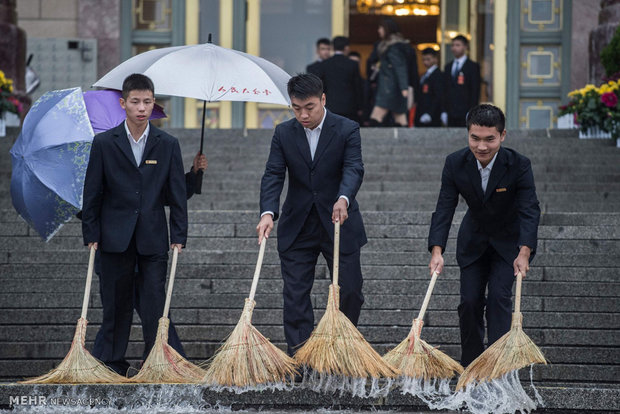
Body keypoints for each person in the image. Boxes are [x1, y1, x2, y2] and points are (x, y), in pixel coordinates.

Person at [82, 73, 188, 376]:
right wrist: (91, 233)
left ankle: (156, 362)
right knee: (116, 305)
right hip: (113, 238)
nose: (141, 108)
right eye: (135, 102)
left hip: (154, 238)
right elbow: (93, 192)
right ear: (123, 103)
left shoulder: (167, 144)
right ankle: (112, 363)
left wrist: (179, 234)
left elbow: (177, 195)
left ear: (153, 104)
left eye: (147, 102)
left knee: (155, 304)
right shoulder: (104, 143)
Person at [256, 73, 367, 356]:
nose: (303, 114)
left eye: (309, 107)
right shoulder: (283, 133)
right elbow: (273, 173)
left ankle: (343, 352)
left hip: (338, 220)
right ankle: (301, 358)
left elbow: (354, 168)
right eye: (296, 108)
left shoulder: (347, 129)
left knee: (351, 292)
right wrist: (268, 212)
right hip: (299, 224)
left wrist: (344, 198)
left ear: (323, 100)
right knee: (295, 297)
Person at [427, 104, 540, 367]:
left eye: (489, 139)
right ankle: (472, 366)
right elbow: (444, 207)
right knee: (469, 302)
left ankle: (497, 366)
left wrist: (524, 252)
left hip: (508, 244)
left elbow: (529, 209)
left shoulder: (519, 165)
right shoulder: (455, 163)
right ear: (468, 135)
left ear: (502, 136)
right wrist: (436, 250)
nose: (481, 146)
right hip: (473, 242)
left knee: (499, 299)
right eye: (474, 138)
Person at [368, 18, 410, 127]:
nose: (378, 30)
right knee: (400, 117)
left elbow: (400, 67)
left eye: (381, 28)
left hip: (390, 89)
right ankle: (405, 142)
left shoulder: (393, 47)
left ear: (387, 29)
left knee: (376, 116)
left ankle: (371, 143)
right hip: (391, 88)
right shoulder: (387, 45)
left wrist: (404, 88)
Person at [315, 36, 363, 123]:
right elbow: (358, 87)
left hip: (330, 105)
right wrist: (360, 106)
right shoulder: (353, 64)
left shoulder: (325, 64)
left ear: (333, 47)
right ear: (346, 48)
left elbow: (321, 86)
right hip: (349, 106)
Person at [442, 34, 481, 127]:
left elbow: (475, 90)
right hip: (450, 112)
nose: (454, 48)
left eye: (458, 45)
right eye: (453, 45)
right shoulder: (448, 67)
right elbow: (445, 90)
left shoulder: (472, 66)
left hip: (465, 111)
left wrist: (472, 111)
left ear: (465, 47)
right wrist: (443, 110)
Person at [414, 48, 444, 128]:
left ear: (435, 59)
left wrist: (430, 113)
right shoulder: (424, 75)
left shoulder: (438, 75)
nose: (425, 62)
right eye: (423, 59)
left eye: (428, 59)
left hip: (432, 115)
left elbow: (438, 96)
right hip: (421, 112)